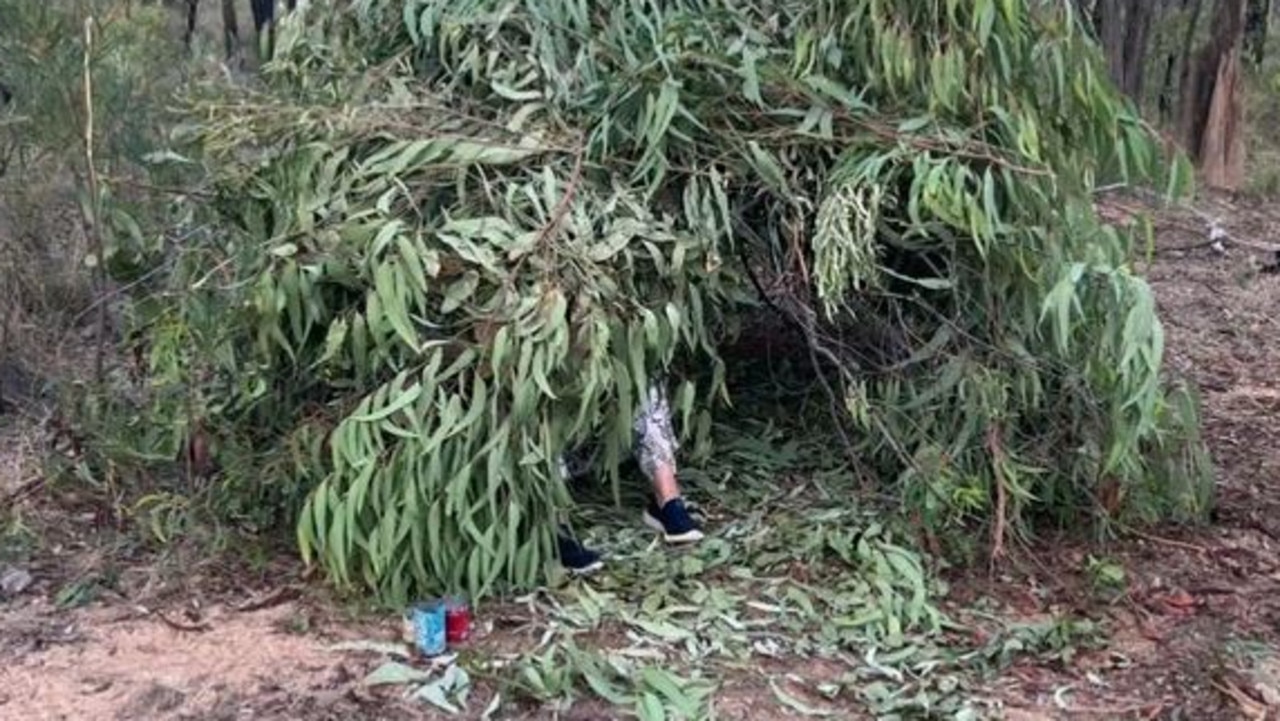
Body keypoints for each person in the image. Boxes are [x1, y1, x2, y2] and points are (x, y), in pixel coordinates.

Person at [556, 380, 703, 575]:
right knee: (535, 387)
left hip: (602, 428)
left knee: (642, 375)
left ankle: (669, 502)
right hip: (564, 433)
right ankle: (553, 525)